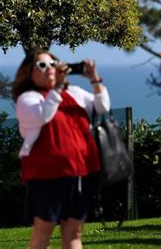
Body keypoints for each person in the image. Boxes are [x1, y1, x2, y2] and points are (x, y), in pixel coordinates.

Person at [12, 50, 110, 249]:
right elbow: (42, 116)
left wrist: (94, 79)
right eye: (42, 65)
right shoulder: (28, 99)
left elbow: (103, 107)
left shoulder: (73, 93)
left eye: (53, 63)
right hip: (46, 176)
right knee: (42, 233)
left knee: (73, 233)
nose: (49, 68)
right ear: (29, 73)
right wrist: (56, 88)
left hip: (80, 173)